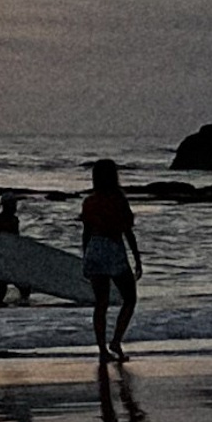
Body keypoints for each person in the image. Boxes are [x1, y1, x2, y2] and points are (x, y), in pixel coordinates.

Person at [77, 156, 140, 372]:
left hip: (95, 248)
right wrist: (137, 257)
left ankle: (103, 350)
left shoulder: (89, 202)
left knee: (101, 303)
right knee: (129, 298)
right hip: (113, 248)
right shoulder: (118, 199)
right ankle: (116, 341)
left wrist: (85, 256)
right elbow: (127, 230)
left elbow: (86, 232)